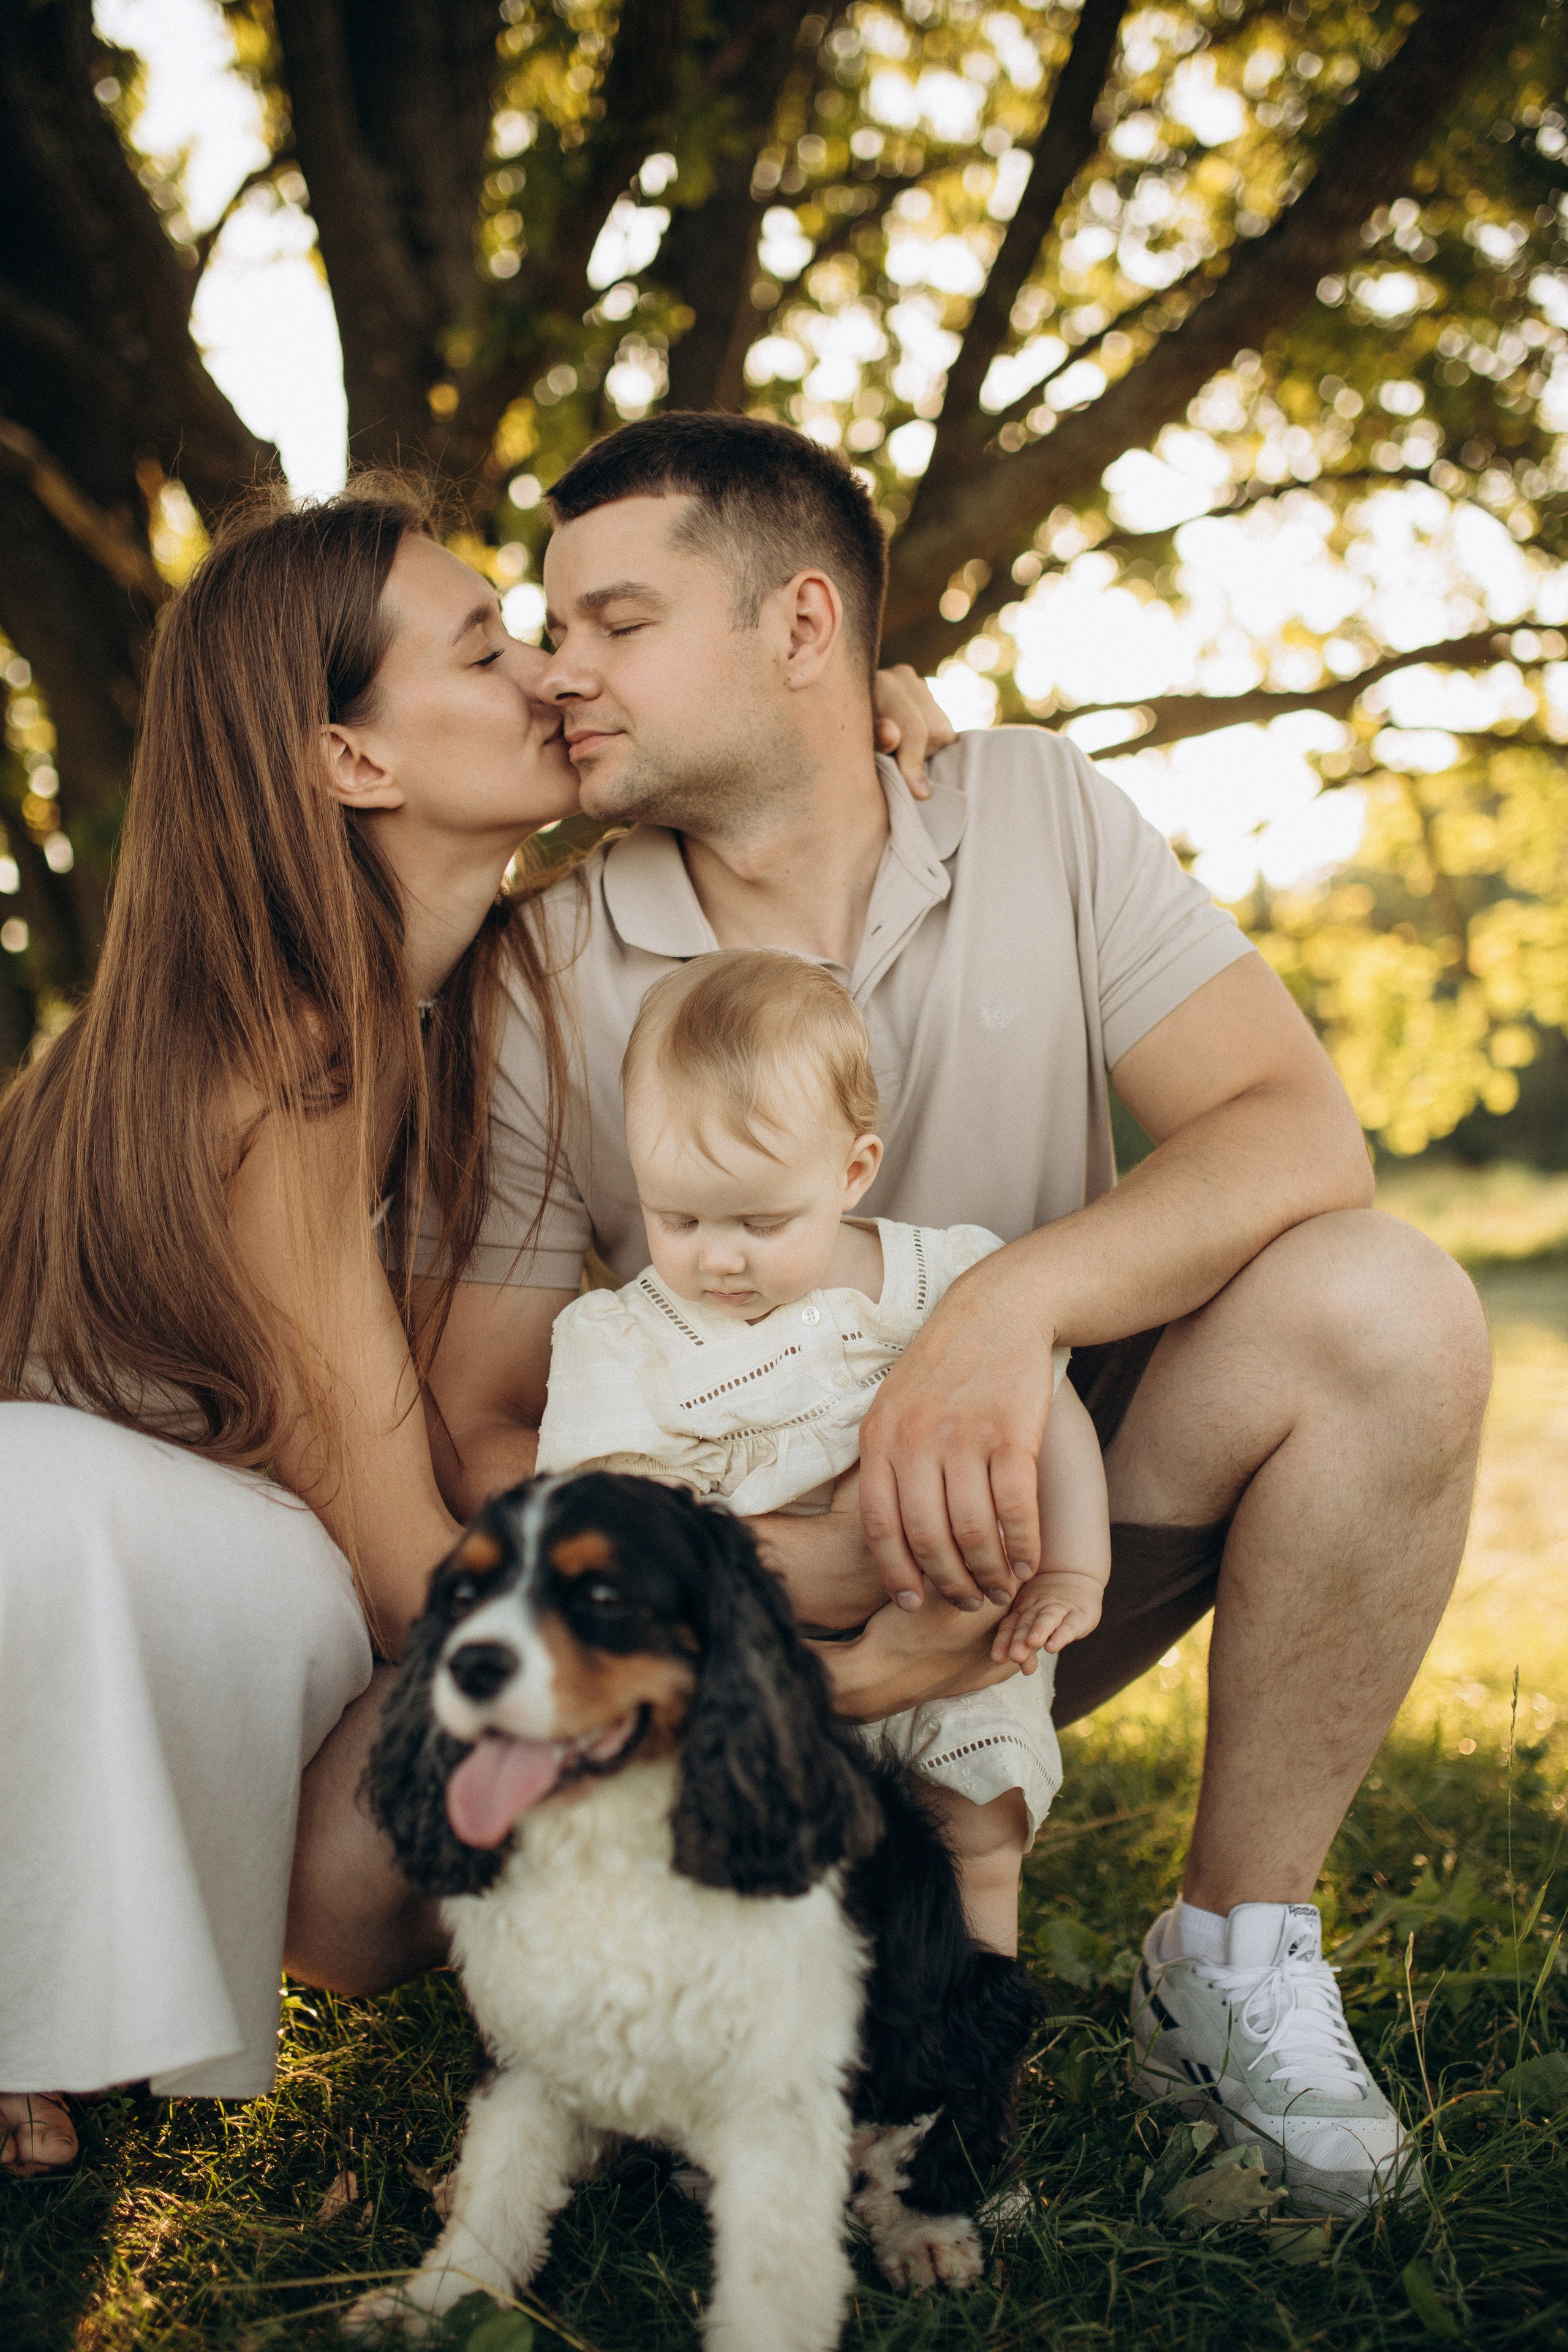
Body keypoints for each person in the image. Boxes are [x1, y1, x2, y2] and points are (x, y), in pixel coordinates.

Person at [426, 413, 1491, 2211]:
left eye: (615, 622)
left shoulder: (1038, 809)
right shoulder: (538, 972)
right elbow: (481, 1427)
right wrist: (791, 1578)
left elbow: (1294, 1129)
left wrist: (1005, 1309)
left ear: (805, 628)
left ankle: (1228, 1964)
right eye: (549, 629)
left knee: (1386, 1301)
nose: (558, 672)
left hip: (1031, 1557)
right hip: (736, 1650)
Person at [0, 464, 964, 2175]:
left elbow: (726, 765)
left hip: (190, 1611)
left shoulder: (468, 995)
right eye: (485, 648)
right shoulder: (281, 1053)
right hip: (88, 1582)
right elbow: (392, 1565)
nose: (553, 676)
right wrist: (775, 1581)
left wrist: (857, 713)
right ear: (354, 760)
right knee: (351, 1730)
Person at [533, 948, 1112, 1954]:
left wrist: (1073, 1565)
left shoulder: (948, 1285)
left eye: (762, 1220)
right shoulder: (625, 1345)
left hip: (964, 1649)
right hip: (754, 1667)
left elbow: (1049, 1413)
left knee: (976, 1831)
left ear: (851, 1172)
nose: (717, 1256)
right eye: (677, 1217)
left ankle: (968, 2034)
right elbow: (600, 1527)